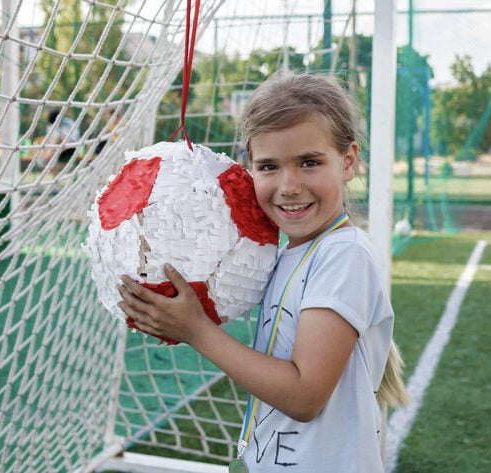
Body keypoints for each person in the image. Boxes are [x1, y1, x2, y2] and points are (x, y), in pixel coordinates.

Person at [117, 73, 409, 472]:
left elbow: (305, 397)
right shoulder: (285, 251)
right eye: (269, 166)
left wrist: (197, 330)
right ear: (247, 168)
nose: (289, 185)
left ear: (348, 161)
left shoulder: (346, 255)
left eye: (309, 162)